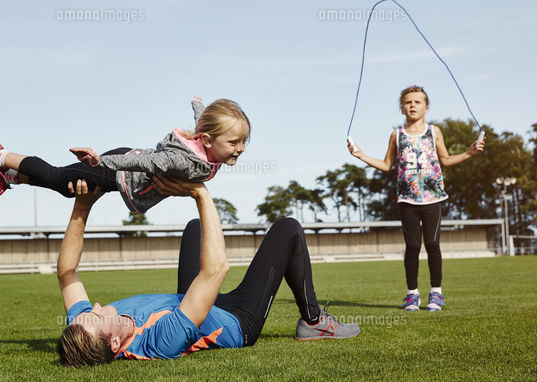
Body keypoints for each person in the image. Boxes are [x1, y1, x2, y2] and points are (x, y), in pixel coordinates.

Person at [56, 175, 360, 367]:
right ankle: (315, 322)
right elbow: (216, 270)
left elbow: (67, 272)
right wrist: (200, 192)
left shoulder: (82, 328)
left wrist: (82, 207)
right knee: (288, 229)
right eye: (97, 316)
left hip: (189, 299)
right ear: (113, 343)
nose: (94, 306)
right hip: (236, 320)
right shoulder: (160, 341)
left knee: (195, 227)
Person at [0, 98, 250, 212]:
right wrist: (99, 162)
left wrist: (198, 105)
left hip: (121, 174)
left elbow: (204, 120)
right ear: (208, 140)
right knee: (59, 177)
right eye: (235, 141)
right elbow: (143, 162)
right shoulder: (181, 160)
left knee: (65, 189)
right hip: (120, 168)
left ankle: (8, 177)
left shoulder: (209, 147)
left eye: (245, 140)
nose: (241, 148)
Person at [348, 86, 485, 312]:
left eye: (417, 102)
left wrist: (470, 153)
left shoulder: (434, 132)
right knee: (412, 246)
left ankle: (436, 294)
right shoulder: (397, 135)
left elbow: (446, 160)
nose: (413, 105)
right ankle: (412, 294)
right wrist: (360, 154)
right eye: (408, 102)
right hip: (407, 199)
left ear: (426, 107)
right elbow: (386, 165)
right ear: (402, 108)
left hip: (432, 198)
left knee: (432, 244)